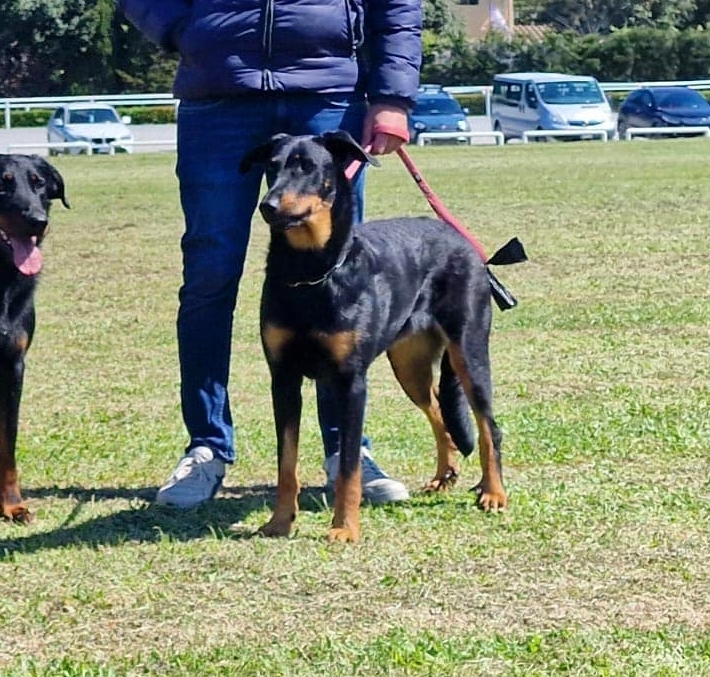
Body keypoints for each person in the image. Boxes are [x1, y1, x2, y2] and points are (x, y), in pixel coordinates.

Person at [117, 0, 422, 508]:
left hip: (327, 92)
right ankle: (207, 448)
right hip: (218, 95)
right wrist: (187, 29)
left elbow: (398, 4)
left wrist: (392, 94)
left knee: (339, 284)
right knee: (209, 276)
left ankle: (344, 452)